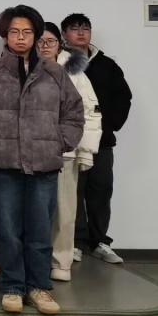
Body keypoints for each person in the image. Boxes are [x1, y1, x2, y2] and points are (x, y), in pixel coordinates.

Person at [0, 5, 83, 315]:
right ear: (5, 35)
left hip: (44, 165)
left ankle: (39, 287)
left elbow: (74, 113)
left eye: (27, 32)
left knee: (40, 231)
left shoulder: (55, 73)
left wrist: (60, 141)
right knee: (7, 231)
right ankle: (12, 287)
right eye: (15, 32)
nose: (21, 37)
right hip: (4, 165)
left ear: (36, 35)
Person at [61, 13, 132, 265]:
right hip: (71, 140)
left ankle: (100, 241)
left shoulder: (106, 64)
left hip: (102, 141)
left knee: (101, 190)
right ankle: (76, 242)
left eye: (85, 28)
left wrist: (108, 125)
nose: (81, 33)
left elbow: (123, 97)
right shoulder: (61, 62)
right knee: (73, 191)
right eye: (74, 28)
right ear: (64, 34)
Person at [37, 23, 102, 282]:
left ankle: (61, 261)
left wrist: (86, 150)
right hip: (32, 151)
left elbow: (90, 112)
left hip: (65, 151)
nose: (45, 46)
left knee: (64, 211)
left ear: (59, 44)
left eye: (50, 41)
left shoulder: (74, 72)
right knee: (34, 211)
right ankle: (34, 261)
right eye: (40, 41)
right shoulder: (24, 68)